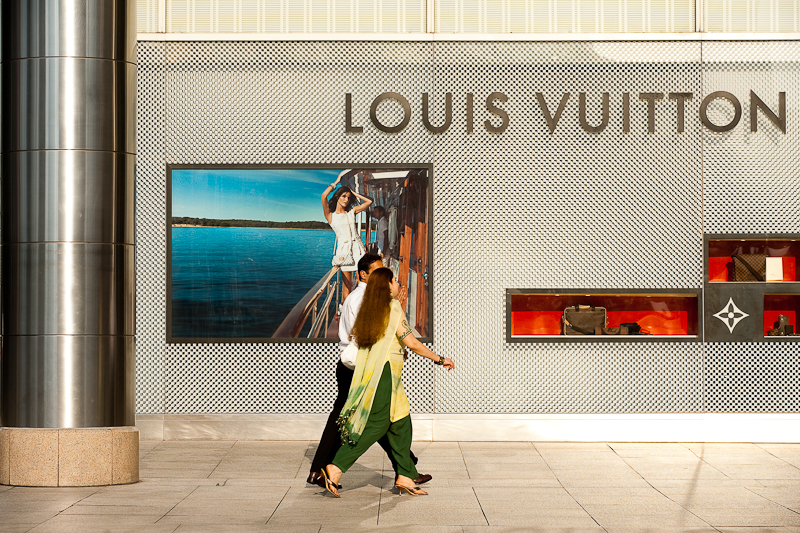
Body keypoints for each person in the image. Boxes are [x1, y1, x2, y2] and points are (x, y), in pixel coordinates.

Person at [320, 268, 455, 498]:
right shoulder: (392, 307)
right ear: (387, 285)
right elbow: (411, 342)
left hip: (381, 372)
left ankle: (405, 475)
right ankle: (336, 467)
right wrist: (440, 359)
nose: (398, 283)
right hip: (384, 374)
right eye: (394, 280)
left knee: (401, 422)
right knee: (377, 424)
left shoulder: (370, 308)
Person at [307, 254, 432, 488]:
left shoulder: (357, 296)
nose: (383, 277)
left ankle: (405, 468)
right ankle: (328, 468)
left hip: (352, 363)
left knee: (375, 418)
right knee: (371, 420)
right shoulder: (367, 298)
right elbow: (373, 335)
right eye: (377, 272)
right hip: (360, 366)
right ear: (363, 274)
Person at [322, 174, 372, 301]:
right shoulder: (331, 216)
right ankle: (347, 313)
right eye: (344, 196)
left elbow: (369, 201)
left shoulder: (352, 211)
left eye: (348, 198)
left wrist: (353, 192)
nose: (346, 200)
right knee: (347, 286)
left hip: (358, 251)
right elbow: (323, 196)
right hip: (344, 253)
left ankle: (361, 311)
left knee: (364, 284)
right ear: (338, 197)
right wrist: (336, 182)